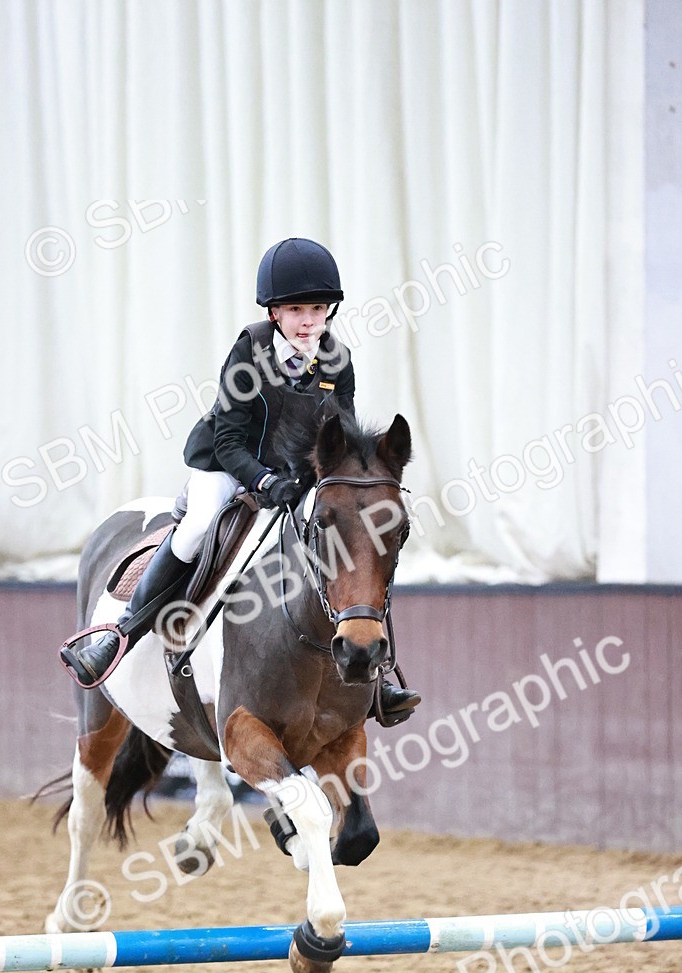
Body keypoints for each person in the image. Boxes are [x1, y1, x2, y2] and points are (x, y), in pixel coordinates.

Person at [61, 237, 419, 723]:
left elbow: (343, 437)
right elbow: (229, 439)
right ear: (274, 312)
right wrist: (264, 482)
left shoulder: (338, 360)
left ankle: (377, 675)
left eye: (318, 309)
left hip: (297, 474)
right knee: (198, 525)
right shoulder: (249, 352)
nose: (308, 321)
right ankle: (121, 633)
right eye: (296, 310)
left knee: (353, 540)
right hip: (228, 466)